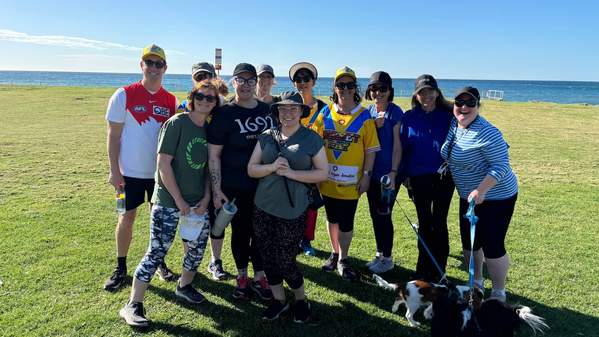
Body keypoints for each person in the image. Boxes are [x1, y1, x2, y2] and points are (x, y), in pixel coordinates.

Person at [118, 80, 218, 327]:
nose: (205, 101)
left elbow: (208, 168)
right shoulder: (177, 123)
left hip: (198, 204)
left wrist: (206, 198)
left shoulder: (209, 129)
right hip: (169, 201)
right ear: (192, 98)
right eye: (201, 96)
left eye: (211, 98)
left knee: (196, 251)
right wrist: (179, 200)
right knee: (157, 251)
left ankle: (184, 286)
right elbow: (163, 164)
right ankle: (133, 304)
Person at [248, 91, 328, 322]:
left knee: (286, 260)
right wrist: (272, 167)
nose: (288, 113)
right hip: (263, 207)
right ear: (277, 112)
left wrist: (292, 173)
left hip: (293, 210)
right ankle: (279, 300)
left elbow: (322, 173)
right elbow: (252, 169)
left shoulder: (311, 138)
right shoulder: (267, 135)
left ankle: (301, 300)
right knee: (267, 257)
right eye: (283, 109)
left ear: (302, 112)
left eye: (294, 108)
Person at [104, 44, 177, 291]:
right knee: (126, 217)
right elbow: (113, 137)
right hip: (128, 175)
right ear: (141, 65)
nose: (154, 67)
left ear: (165, 68)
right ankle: (120, 268)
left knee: (159, 222)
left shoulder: (170, 100)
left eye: (159, 63)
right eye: (149, 62)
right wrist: (114, 171)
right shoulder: (123, 95)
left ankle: (159, 263)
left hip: (159, 175)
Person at [441, 87, 518, 302]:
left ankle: (498, 292)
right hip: (468, 197)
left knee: (493, 245)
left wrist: (481, 189)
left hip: (497, 197)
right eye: (459, 102)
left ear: (478, 106)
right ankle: (476, 285)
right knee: (469, 244)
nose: (463, 107)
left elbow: (501, 166)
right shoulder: (454, 124)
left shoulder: (488, 131)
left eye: (470, 103)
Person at [208, 63, 275, 300]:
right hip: (235, 186)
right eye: (241, 79)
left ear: (256, 83)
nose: (245, 85)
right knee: (240, 232)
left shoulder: (267, 111)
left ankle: (260, 276)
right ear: (233, 82)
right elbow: (214, 155)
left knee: (260, 233)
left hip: (264, 187)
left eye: (250, 80)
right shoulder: (224, 113)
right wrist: (216, 189)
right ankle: (242, 277)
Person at [311, 66, 380, 281]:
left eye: (350, 85)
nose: (345, 89)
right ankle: (334, 253)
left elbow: (370, 151)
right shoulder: (325, 113)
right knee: (331, 218)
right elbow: (314, 143)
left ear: (355, 88)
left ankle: (344, 258)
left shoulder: (364, 116)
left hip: (352, 183)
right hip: (327, 180)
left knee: (346, 220)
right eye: (341, 85)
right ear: (335, 88)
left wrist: (367, 176)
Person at [175, 62, 231, 281]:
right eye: (198, 76)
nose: (202, 79)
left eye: (206, 75)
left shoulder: (222, 106)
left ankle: (215, 261)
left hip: (216, 169)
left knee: (217, 219)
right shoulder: (184, 106)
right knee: (191, 219)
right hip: (192, 172)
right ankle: (191, 263)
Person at [399, 74, 454, 282]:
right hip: (418, 178)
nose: (427, 95)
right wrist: (405, 177)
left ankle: (439, 270)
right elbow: (403, 149)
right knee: (424, 222)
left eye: (430, 91)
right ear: (416, 95)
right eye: (422, 92)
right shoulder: (409, 117)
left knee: (439, 222)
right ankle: (422, 268)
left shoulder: (449, 115)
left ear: (437, 93)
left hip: (444, 177)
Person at [364, 71, 403, 274]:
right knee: (374, 215)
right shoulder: (368, 112)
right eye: (374, 89)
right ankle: (380, 254)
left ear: (390, 92)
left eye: (382, 89)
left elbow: (397, 147)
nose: (378, 93)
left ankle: (387, 259)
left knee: (384, 215)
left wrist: (394, 172)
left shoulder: (395, 112)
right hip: (371, 173)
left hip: (388, 175)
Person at [289, 61, 326, 256]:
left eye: (306, 78)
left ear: (313, 81)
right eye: (298, 79)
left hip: (314, 163)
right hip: (291, 161)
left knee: (312, 203)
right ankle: (292, 238)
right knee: (292, 201)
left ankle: (306, 240)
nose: (302, 82)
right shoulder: (288, 104)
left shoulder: (323, 107)